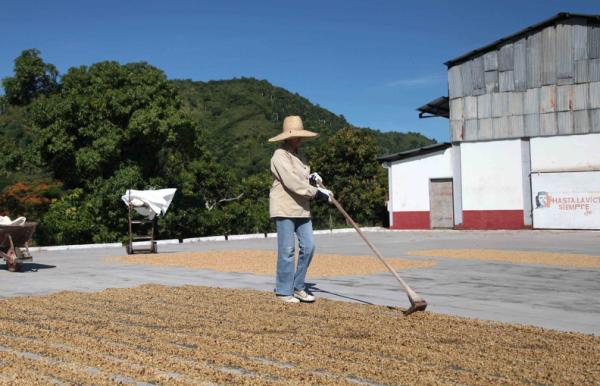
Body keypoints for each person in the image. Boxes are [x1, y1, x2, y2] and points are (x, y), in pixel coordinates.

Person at [268, 115, 333, 303]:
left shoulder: (301, 156)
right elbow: (292, 182)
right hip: (284, 208)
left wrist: (312, 178)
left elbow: (302, 178)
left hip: (302, 208)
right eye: (295, 136)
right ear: (287, 137)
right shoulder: (279, 155)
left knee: (309, 246)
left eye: (299, 136)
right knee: (287, 250)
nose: (298, 139)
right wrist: (317, 193)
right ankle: (283, 290)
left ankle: (298, 286)